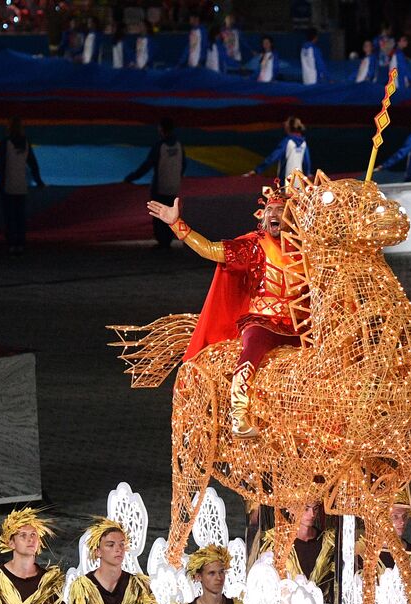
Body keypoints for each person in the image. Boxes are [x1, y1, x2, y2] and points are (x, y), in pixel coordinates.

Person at [146, 183, 303, 436]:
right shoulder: (253, 246)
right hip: (262, 322)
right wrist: (176, 224)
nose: (274, 214)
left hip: (297, 327)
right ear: (263, 217)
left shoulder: (306, 252)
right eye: (270, 210)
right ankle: (238, 414)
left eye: (281, 210)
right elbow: (210, 250)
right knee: (251, 350)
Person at [0, 117, 45, 255]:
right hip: (21, 186)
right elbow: (33, 164)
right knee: (20, 216)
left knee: (9, 217)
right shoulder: (25, 143)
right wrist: (39, 182)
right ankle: (20, 243)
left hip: (7, 186)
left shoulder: (5, 142)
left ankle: (11, 244)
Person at [125, 118, 186, 250]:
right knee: (170, 214)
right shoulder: (179, 145)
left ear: (161, 129)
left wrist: (132, 177)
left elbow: (147, 165)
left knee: (158, 215)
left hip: (160, 187)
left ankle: (162, 241)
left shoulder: (160, 146)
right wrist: (177, 178)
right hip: (174, 186)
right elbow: (183, 165)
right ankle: (167, 240)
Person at [250, 117, 311, 182]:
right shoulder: (303, 143)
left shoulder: (287, 141)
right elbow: (307, 162)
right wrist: (307, 174)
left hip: (286, 180)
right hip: (298, 181)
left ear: (289, 127)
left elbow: (273, 157)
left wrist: (257, 170)